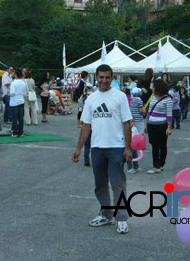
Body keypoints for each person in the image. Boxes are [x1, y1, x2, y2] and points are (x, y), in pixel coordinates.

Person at [72, 64, 133, 235]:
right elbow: (86, 126)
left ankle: (121, 219)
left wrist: (128, 148)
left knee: (118, 184)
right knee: (100, 185)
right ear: (96, 78)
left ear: (112, 78)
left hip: (116, 147)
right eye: (101, 77)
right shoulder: (91, 99)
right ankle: (106, 215)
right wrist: (79, 148)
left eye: (107, 77)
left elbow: (127, 123)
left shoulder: (120, 97)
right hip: (97, 147)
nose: (104, 80)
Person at [146, 79, 173, 173]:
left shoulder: (168, 99)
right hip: (151, 124)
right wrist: (147, 122)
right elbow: (149, 110)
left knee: (162, 145)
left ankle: (159, 165)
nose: (152, 88)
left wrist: (169, 127)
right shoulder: (153, 97)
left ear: (158, 88)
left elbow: (169, 114)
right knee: (154, 144)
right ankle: (157, 165)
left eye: (153, 87)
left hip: (161, 125)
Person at [128, 87, 145, 174]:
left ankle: (135, 167)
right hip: (138, 118)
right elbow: (141, 110)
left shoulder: (131, 100)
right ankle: (140, 145)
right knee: (140, 133)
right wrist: (144, 112)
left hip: (132, 117)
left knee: (134, 154)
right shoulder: (139, 100)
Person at [9, 69, 26, 137]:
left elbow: (12, 93)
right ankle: (20, 132)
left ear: (16, 75)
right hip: (21, 101)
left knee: (14, 118)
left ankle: (14, 132)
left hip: (14, 102)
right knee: (21, 118)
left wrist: (9, 93)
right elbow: (24, 93)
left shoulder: (13, 83)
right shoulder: (23, 83)